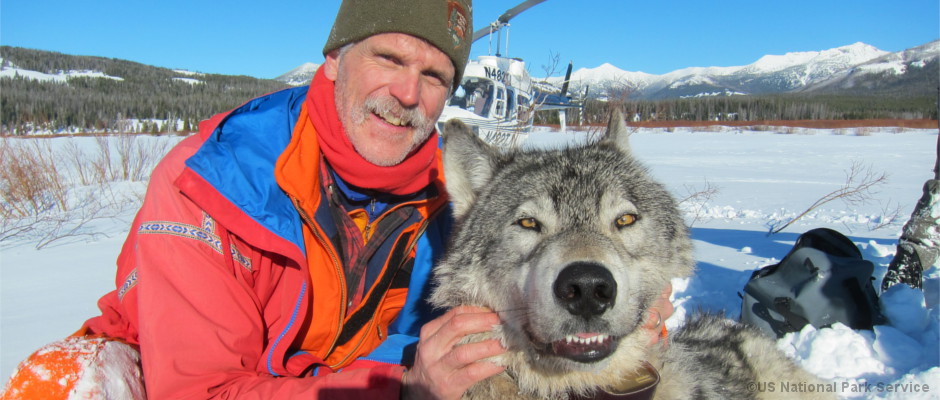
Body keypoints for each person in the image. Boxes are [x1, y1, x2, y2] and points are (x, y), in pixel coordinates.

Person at [2, 1, 672, 398]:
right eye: (387, 58)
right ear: (333, 60)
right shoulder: (214, 183)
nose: (408, 93)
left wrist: (617, 302)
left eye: (434, 75)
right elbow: (201, 392)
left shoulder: (462, 202)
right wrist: (408, 383)